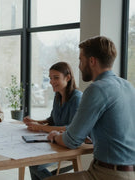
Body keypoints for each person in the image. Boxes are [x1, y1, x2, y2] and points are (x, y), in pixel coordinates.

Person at [46, 36, 135, 180]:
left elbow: (71, 141)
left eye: (81, 60)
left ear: (92, 61)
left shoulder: (97, 89)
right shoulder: (128, 86)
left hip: (109, 174)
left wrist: (55, 136)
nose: (79, 66)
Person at [23, 62, 83, 180]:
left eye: (56, 78)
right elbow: (52, 120)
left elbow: (70, 128)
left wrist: (40, 127)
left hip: (68, 146)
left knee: (35, 165)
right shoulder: (58, 96)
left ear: (68, 77)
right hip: (55, 142)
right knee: (32, 161)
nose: (51, 81)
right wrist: (35, 121)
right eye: (50, 78)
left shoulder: (77, 98)